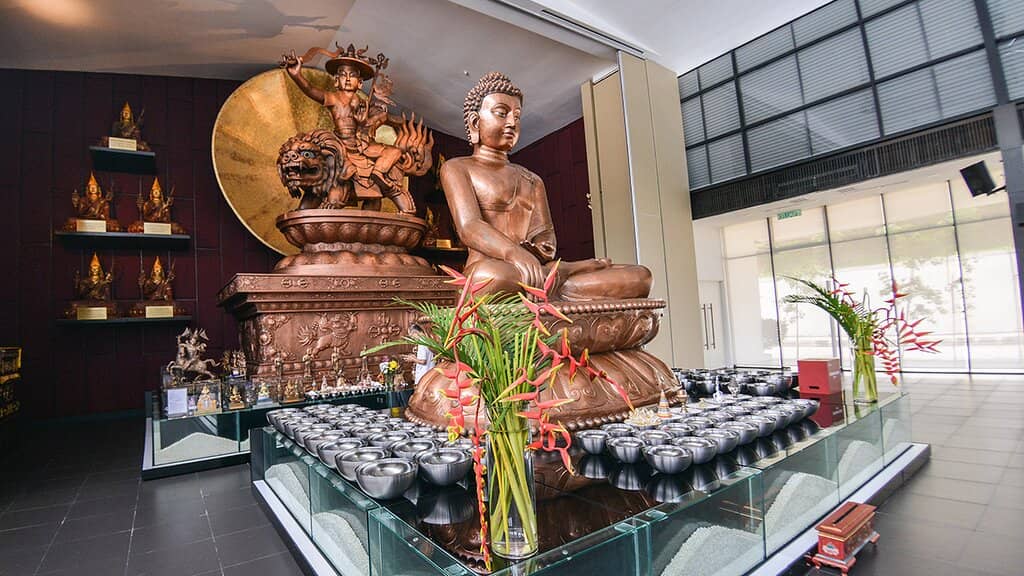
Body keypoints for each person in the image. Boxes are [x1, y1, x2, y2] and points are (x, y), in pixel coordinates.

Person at [440, 72, 652, 300]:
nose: (512, 123)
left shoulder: (532, 179)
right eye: (502, 114)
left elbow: (545, 236)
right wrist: (513, 252)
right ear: (474, 122)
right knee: (487, 277)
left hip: (534, 273)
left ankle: (557, 278)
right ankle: (567, 271)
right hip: (495, 272)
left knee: (639, 277)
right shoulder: (458, 168)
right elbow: (469, 226)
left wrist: (539, 248)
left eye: (517, 116)